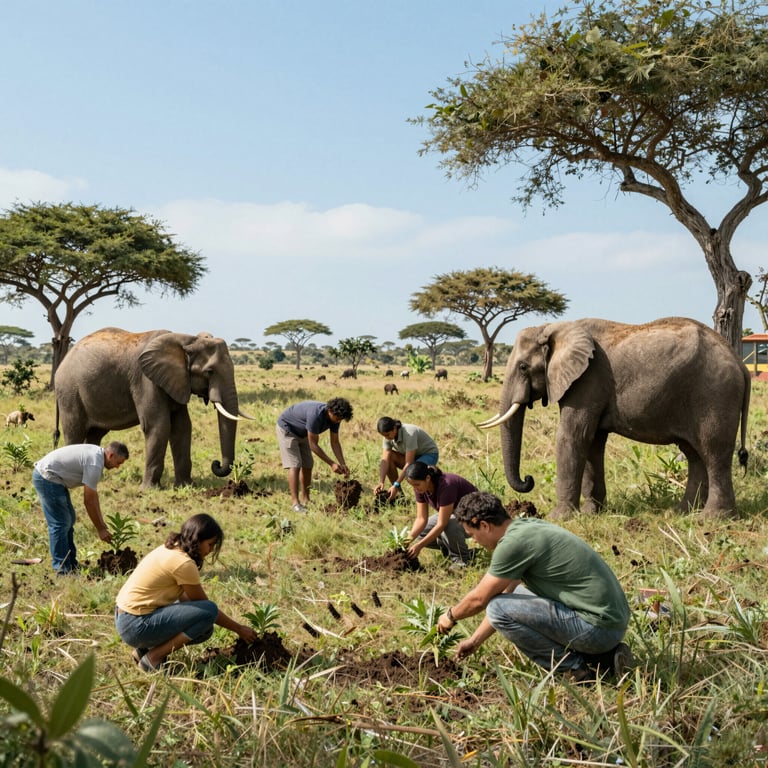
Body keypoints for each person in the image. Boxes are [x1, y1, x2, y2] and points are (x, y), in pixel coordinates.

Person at [436, 491, 633, 681]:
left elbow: (479, 600)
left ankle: (574, 669)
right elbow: (507, 592)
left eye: (472, 534)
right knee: (507, 600)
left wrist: (450, 616)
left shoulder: (512, 544)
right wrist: (475, 640)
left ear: (485, 525)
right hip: (611, 622)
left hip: (598, 628)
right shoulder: (525, 527)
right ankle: (604, 659)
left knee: (497, 608)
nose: (475, 542)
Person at [115, 513, 258, 673]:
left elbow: (185, 598)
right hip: (135, 625)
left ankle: (143, 651)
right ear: (198, 540)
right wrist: (239, 629)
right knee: (208, 612)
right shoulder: (183, 563)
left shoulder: (172, 547)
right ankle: (153, 658)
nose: (210, 551)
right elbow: (207, 610)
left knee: (205, 628)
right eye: (210, 544)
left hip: (125, 617)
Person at [32, 441, 129, 575]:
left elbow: (93, 498)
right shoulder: (95, 463)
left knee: (69, 519)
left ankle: (71, 563)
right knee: (60, 523)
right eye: (118, 463)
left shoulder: (97, 455)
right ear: (111, 455)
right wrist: (100, 528)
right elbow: (89, 501)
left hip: (55, 479)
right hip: (47, 477)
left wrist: (102, 524)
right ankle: (62, 570)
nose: (117, 467)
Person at [276, 397, 353, 512]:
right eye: (337, 418)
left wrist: (343, 464)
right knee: (295, 464)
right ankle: (295, 504)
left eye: (341, 419)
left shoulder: (336, 418)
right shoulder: (315, 415)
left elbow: (335, 442)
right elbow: (313, 445)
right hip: (288, 429)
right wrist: (331, 464)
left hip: (303, 433)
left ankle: (306, 499)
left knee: (308, 464)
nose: (338, 421)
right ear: (330, 411)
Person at [403, 462, 477, 565]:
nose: (415, 489)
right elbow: (421, 519)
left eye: (417, 485)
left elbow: (442, 524)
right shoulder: (420, 489)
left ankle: (462, 559)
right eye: (412, 485)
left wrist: (419, 546)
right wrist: (407, 540)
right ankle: (452, 549)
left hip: (473, 518)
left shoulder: (447, 485)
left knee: (449, 525)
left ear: (427, 478)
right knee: (421, 532)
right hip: (453, 514)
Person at [374, 417, 439, 501]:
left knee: (416, 472)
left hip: (428, 455)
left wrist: (396, 484)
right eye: (384, 436)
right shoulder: (388, 436)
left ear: (394, 428)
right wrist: (381, 482)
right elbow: (385, 460)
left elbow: (409, 463)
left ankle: (427, 498)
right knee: (390, 458)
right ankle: (400, 496)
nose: (386, 438)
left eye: (387, 435)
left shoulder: (409, 433)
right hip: (411, 457)